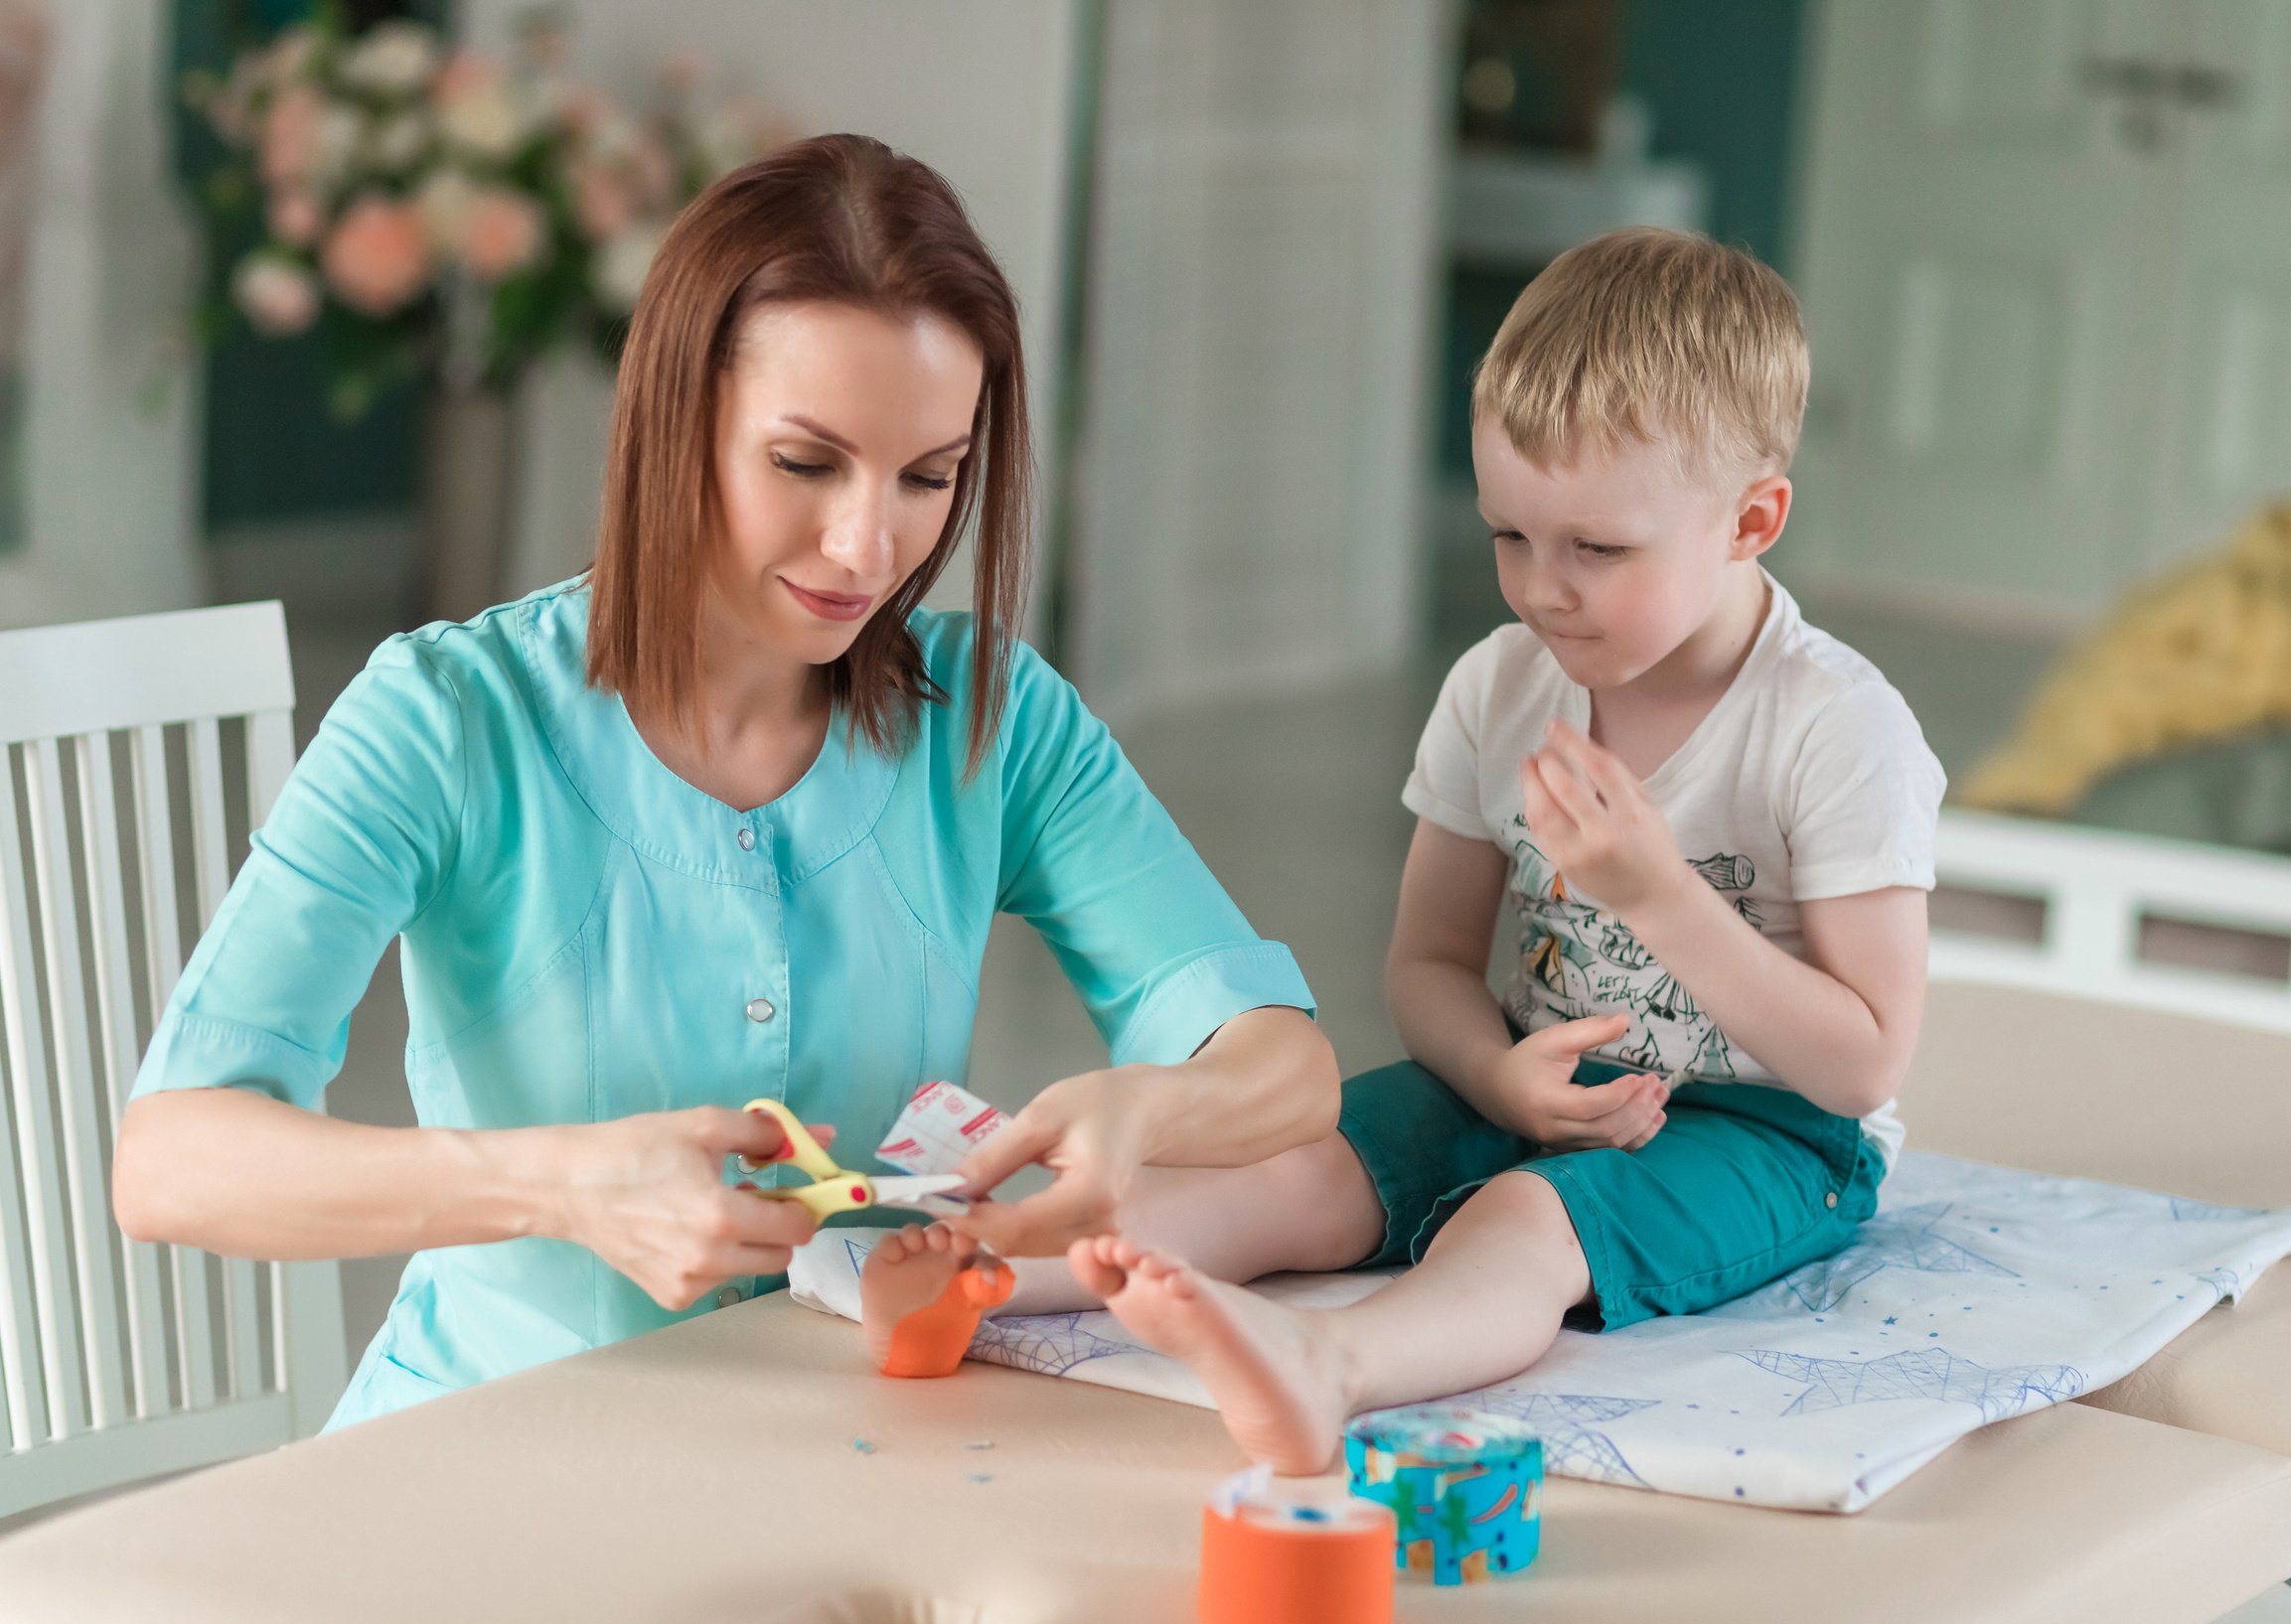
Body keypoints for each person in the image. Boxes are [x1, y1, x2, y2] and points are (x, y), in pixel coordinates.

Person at [112, 133, 1339, 1430]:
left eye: (930, 476)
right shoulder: (446, 716)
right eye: (805, 462)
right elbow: (173, 1159)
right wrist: (566, 1185)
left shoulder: (993, 714)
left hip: (852, 1438)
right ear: (673, 420)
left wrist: (1152, 1103)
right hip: (489, 1447)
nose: (869, 545)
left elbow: (1286, 1067)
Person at [1045, 227, 1945, 1472]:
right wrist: (1494, 1078)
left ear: (1751, 520)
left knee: (1530, 1217)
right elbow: (1426, 959)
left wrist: (1658, 895)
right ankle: (995, 1270)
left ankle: (1329, 1365)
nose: (1541, 590)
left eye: (1597, 549)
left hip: (1770, 1131)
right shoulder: (1501, 686)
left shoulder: (1835, 727)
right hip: (1525, 1079)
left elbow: (1861, 1065)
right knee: (1306, 1164)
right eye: (1508, 536)